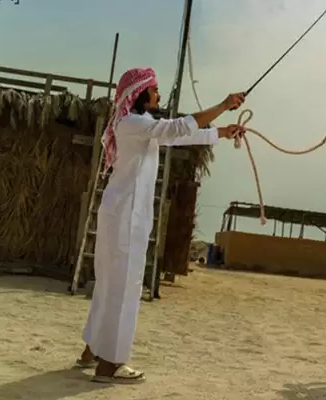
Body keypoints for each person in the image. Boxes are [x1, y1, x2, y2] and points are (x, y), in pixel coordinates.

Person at [75, 67, 247, 384]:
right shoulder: (135, 123)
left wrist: (221, 132)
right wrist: (223, 104)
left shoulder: (136, 125)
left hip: (119, 214)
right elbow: (178, 127)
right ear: (139, 94)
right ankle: (109, 364)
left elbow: (179, 134)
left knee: (109, 284)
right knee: (124, 287)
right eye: (154, 90)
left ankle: (91, 351)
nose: (158, 95)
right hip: (127, 218)